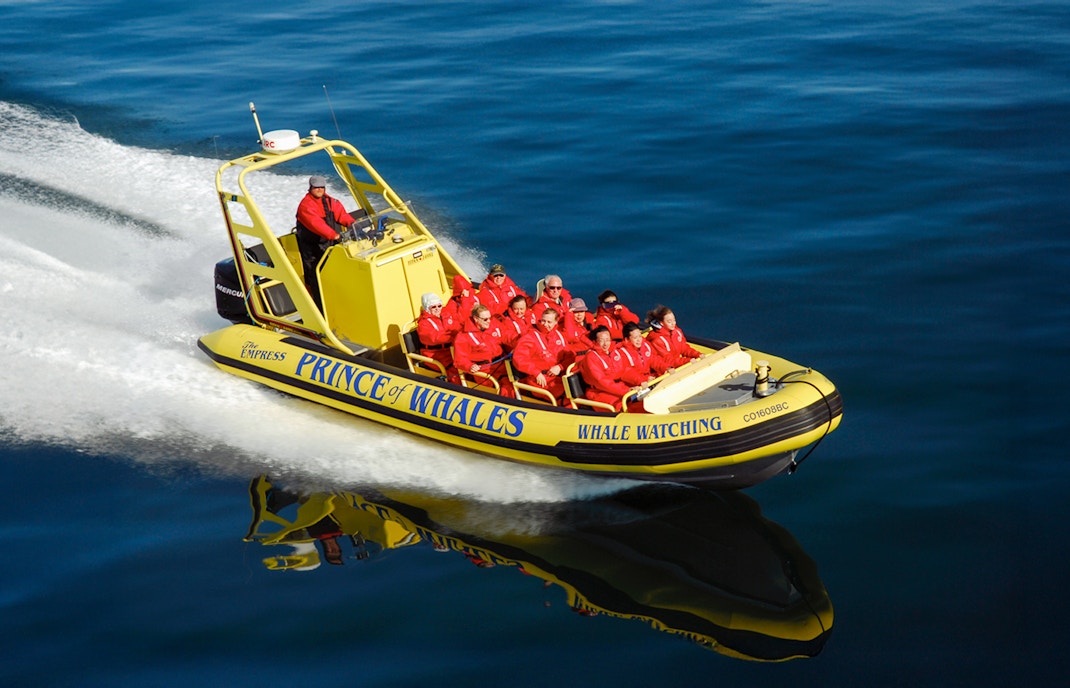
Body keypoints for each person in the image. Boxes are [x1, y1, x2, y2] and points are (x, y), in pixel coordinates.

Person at [295, 175, 362, 309]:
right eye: (316, 187)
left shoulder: (330, 201)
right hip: (313, 248)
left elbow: (341, 214)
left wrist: (354, 225)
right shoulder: (306, 205)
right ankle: (319, 308)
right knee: (316, 276)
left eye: (321, 187)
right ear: (310, 188)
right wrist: (334, 235)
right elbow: (316, 223)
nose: (319, 190)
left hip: (330, 244)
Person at [512, 307, 574, 403]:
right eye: (543, 321)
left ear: (556, 322)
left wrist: (560, 367)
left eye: (549, 322)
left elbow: (570, 356)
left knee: (575, 392)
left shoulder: (559, 336)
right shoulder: (530, 336)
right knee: (563, 397)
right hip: (539, 380)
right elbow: (519, 358)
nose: (545, 325)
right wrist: (535, 372)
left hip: (557, 379)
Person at [579, 326, 645, 412]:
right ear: (595, 342)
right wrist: (626, 390)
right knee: (622, 406)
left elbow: (625, 370)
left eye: (607, 339)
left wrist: (642, 380)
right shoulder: (591, 357)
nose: (605, 343)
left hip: (618, 387)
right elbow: (601, 381)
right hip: (600, 392)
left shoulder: (614, 352)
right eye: (601, 340)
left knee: (641, 399)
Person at [453, 304, 512, 395]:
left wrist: (520, 341)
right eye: (485, 319)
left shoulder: (493, 325)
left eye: (490, 318)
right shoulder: (463, 336)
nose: (489, 321)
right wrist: (469, 366)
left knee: (513, 385)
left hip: (501, 365)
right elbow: (459, 359)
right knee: (504, 390)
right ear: (476, 319)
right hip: (484, 371)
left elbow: (506, 335)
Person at [646, 305, 702, 375]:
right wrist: (687, 361)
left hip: (677, 365)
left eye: (674, 320)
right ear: (661, 323)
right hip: (665, 371)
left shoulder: (676, 332)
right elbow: (668, 360)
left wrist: (697, 354)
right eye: (669, 321)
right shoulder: (657, 340)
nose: (673, 323)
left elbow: (684, 348)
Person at [415, 292, 455, 378]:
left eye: (439, 306)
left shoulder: (445, 315)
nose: (437, 309)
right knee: (456, 370)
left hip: (450, 350)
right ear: (427, 308)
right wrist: (454, 336)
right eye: (433, 307)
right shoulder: (424, 324)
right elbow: (435, 338)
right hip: (437, 355)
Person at [615, 322, 657, 387]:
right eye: (635, 338)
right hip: (636, 386)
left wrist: (666, 367)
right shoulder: (621, 353)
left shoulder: (646, 345)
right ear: (627, 339)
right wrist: (643, 379)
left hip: (651, 379)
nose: (639, 340)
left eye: (640, 336)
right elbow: (627, 373)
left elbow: (655, 359)